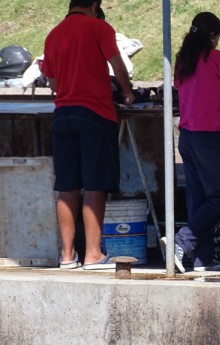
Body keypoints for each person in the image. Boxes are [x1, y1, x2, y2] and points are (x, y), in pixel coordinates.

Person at [163, 11, 220, 274]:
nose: (217, 41)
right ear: (212, 36)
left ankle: (202, 258)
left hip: (188, 136)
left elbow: (198, 94)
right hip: (209, 137)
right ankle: (181, 241)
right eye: (217, 36)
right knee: (217, 197)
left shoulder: (183, 61)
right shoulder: (214, 57)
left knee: (198, 199)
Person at [43, 0, 134, 270]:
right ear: (94, 5)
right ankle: (93, 254)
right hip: (94, 114)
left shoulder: (54, 33)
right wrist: (127, 92)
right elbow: (118, 66)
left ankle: (68, 256)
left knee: (67, 186)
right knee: (96, 184)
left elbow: (52, 82)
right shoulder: (99, 27)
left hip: (63, 115)